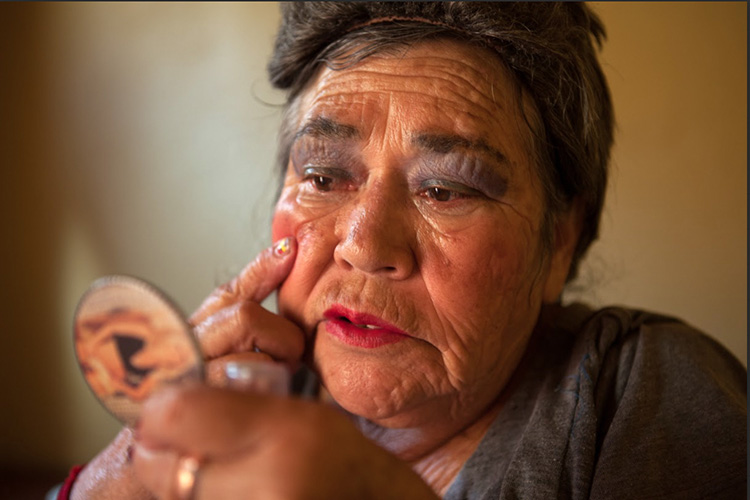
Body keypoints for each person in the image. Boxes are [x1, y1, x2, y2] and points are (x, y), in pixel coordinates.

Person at [62, 2, 746, 499]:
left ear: (559, 241)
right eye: (323, 176)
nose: (364, 245)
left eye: (445, 189)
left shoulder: (643, 391)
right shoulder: (247, 395)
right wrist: (128, 468)